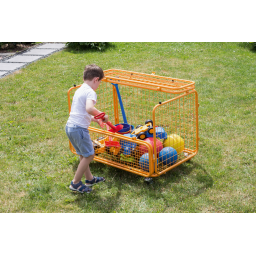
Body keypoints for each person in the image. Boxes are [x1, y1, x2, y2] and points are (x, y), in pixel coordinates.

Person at [65, 64, 108, 193]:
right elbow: (89, 109)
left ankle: (89, 179)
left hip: (70, 126)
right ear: (96, 79)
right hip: (79, 129)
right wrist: (103, 115)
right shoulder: (90, 92)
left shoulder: (80, 89)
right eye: (99, 82)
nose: (98, 85)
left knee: (84, 155)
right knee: (89, 155)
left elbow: (81, 112)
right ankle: (76, 183)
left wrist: (95, 119)